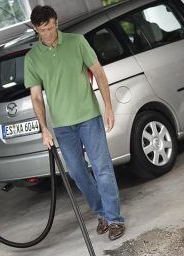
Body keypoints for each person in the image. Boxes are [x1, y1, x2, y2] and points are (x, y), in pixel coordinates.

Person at [24, 5, 125, 240]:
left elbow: (99, 73)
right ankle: (101, 213)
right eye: (41, 31)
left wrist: (108, 107)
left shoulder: (77, 42)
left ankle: (114, 219)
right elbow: (36, 96)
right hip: (62, 126)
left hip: (88, 117)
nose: (46, 35)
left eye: (49, 28)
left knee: (102, 168)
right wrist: (44, 128)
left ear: (56, 22)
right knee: (78, 174)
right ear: (36, 29)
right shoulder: (32, 59)